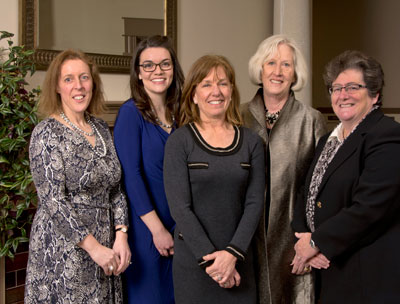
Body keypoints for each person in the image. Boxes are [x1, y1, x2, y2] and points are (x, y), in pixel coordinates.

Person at [291, 50, 400, 303]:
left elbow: (370, 208)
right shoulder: (327, 141)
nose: (342, 95)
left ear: (375, 94)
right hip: (328, 269)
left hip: (365, 275)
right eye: (336, 88)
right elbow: (306, 193)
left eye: (352, 87)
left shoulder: (387, 136)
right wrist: (303, 237)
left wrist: (317, 241)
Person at [25, 49, 131, 303]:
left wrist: (122, 234)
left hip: (107, 248)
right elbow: (53, 201)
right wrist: (94, 249)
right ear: (57, 87)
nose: (78, 86)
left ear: (93, 83)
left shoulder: (102, 128)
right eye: (69, 79)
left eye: (84, 77)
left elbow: (115, 188)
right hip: (65, 250)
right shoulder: (46, 133)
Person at [163, 55, 265, 303]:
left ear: (231, 91)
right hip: (195, 265)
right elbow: (180, 208)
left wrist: (231, 256)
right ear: (194, 95)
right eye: (206, 84)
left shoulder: (252, 142)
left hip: (239, 260)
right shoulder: (180, 142)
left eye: (223, 83)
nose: (216, 91)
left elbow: (254, 204)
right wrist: (214, 262)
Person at [241, 34, 327, 303]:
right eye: (271, 63)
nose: (278, 72)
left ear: (295, 74)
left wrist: (312, 242)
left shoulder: (312, 120)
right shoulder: (237, 115)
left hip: (294, 242)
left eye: (286, 65)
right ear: (260, 68)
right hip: (244, 241)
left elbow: (322, 189)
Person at [113, 35, 184, 303]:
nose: (158, 71)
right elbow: (131, 177)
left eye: (165, 64)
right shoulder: (130, 114)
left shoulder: (183, 113)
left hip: (181, 228)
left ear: (174, 70)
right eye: (149, 65)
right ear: (139, 74)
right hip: (148, 232)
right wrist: (158, 230)